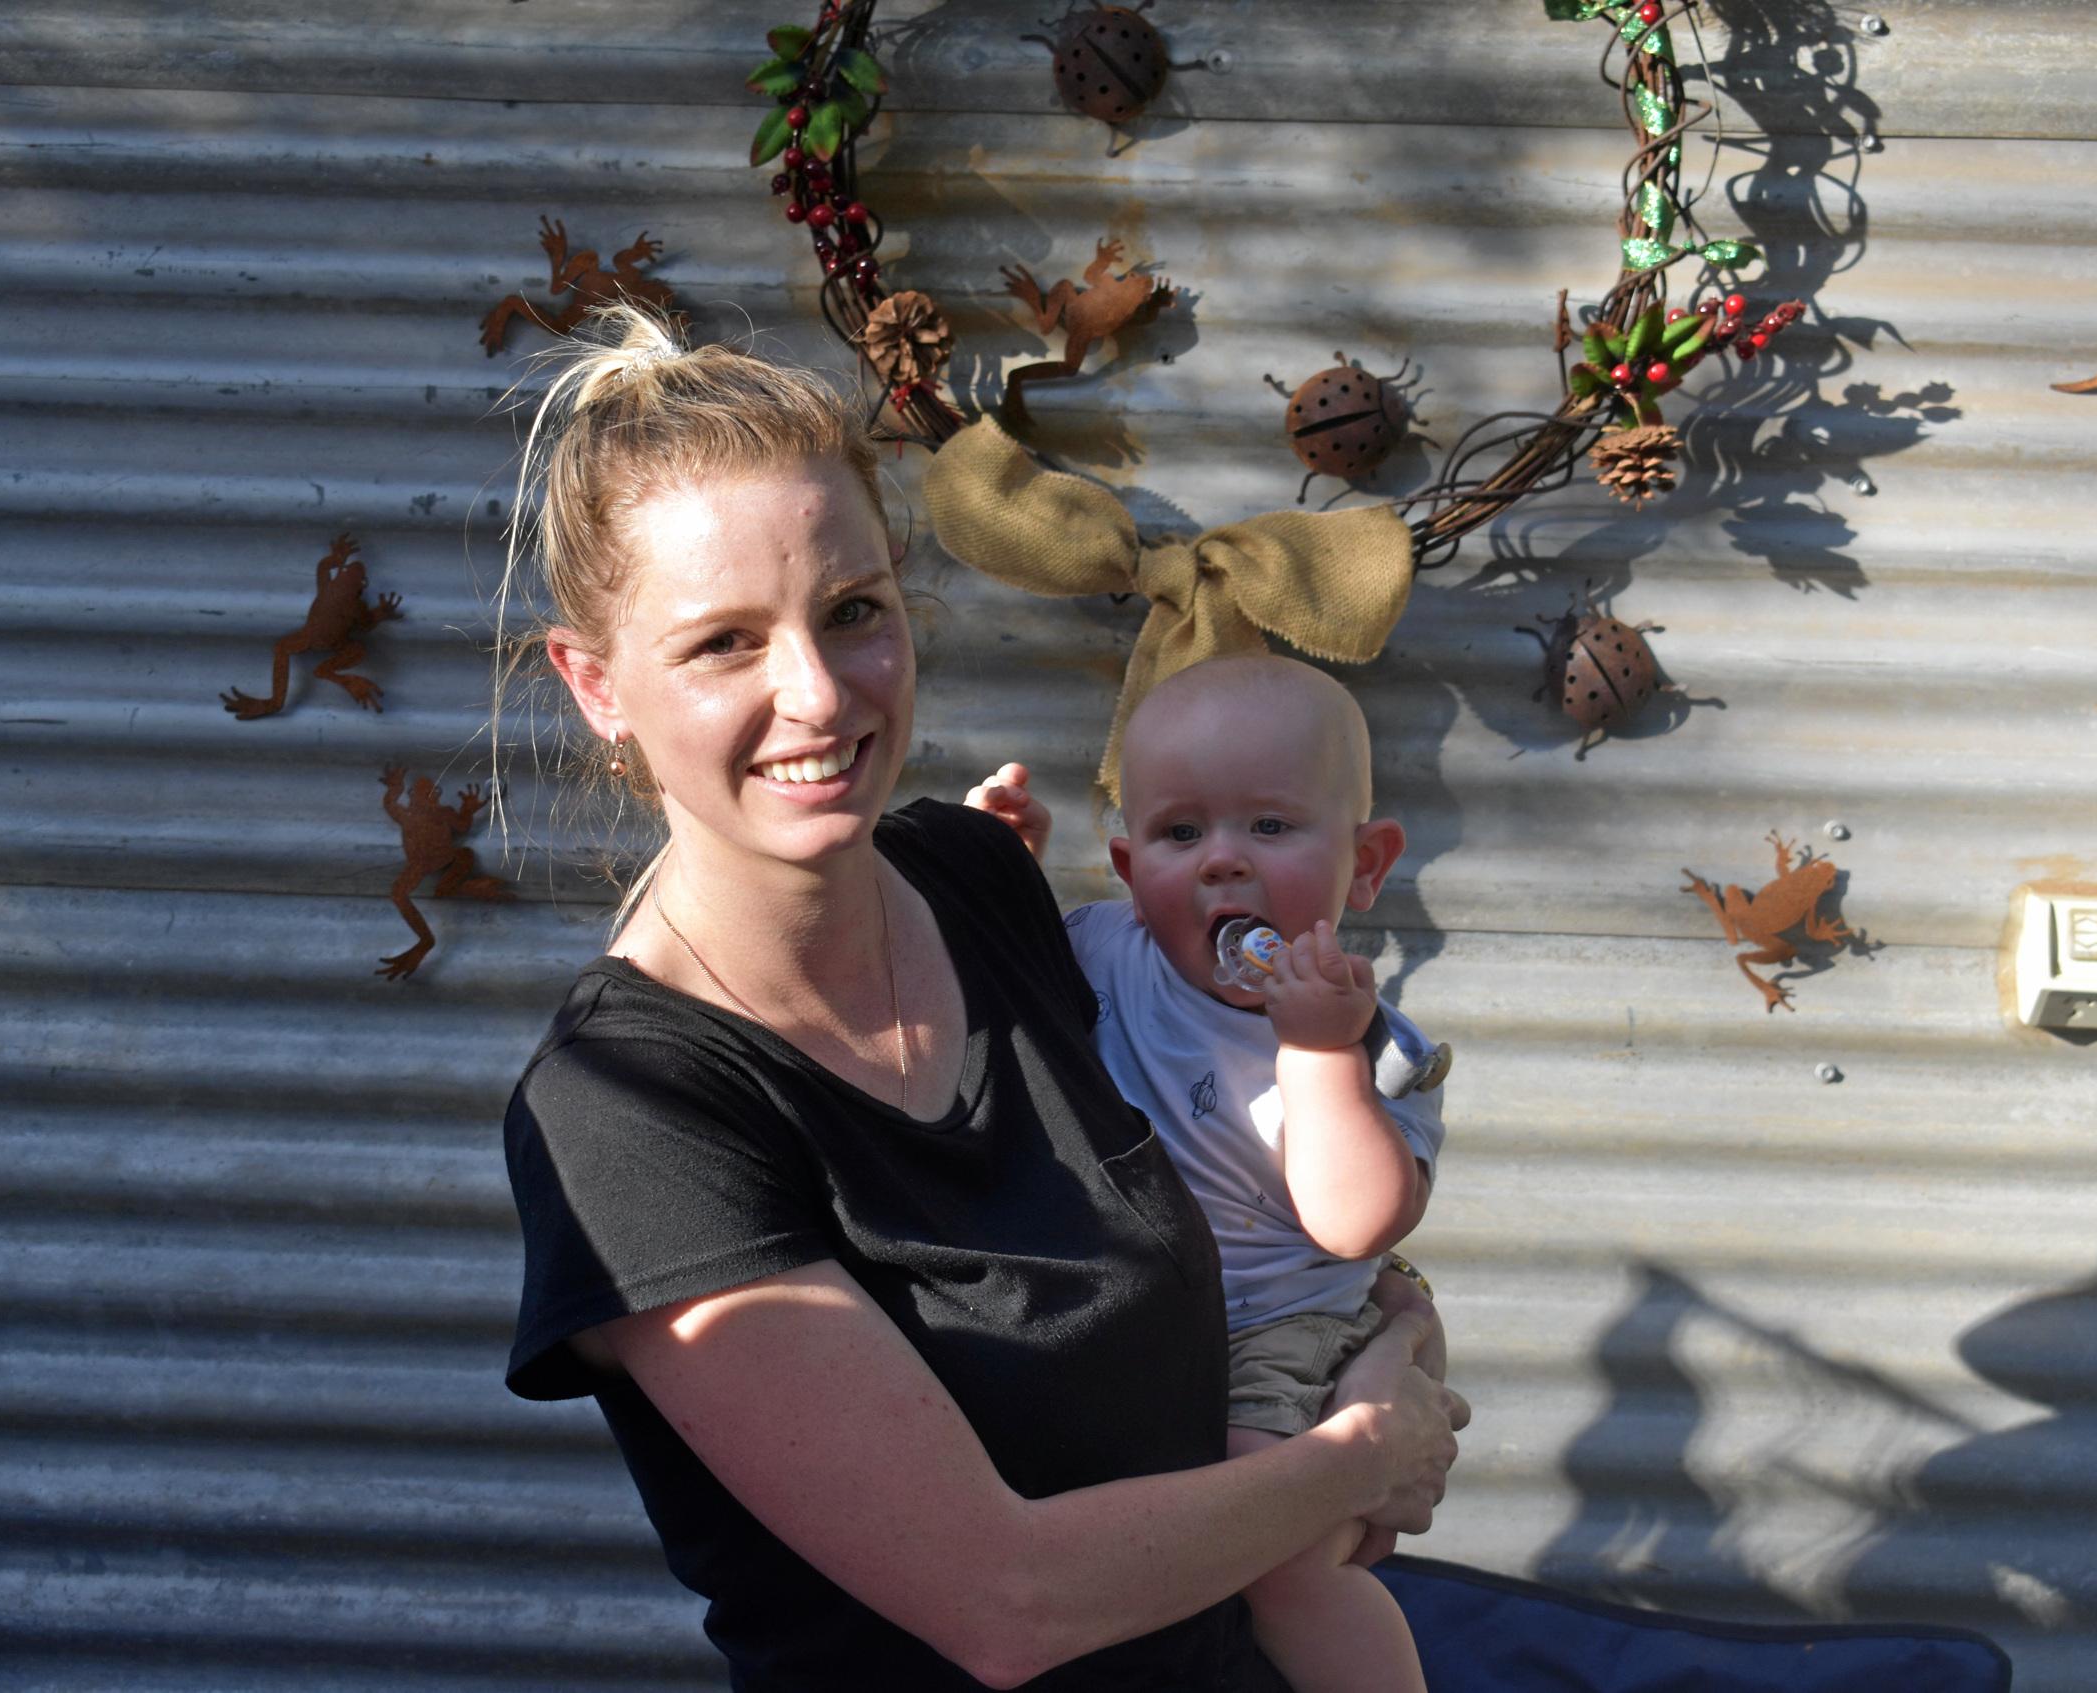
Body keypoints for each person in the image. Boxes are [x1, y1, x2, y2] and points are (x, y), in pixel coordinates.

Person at [499, 303, 1467, 1692]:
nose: (818, 695)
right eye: (724, 643)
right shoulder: (631, 1118)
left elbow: (1246, 1182)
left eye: (852, 613)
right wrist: (1359, 1457)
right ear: (596, 686)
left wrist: (1390, 1334)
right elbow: (1007, 1600)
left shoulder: (973, 877)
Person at [966, 656, 1446, 1693]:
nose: (1223, 863)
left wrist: (1317, 1053)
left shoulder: (1374, 1045)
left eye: (1269, 828)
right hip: (1135, 1326)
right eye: (1184, 834)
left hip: (1275, 1330)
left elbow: (1356, 1223)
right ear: (1133, 868)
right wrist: (1000, 871)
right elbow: (984, 993)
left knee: (1266, 1532)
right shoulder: (1102, 949)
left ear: (1366, 865)